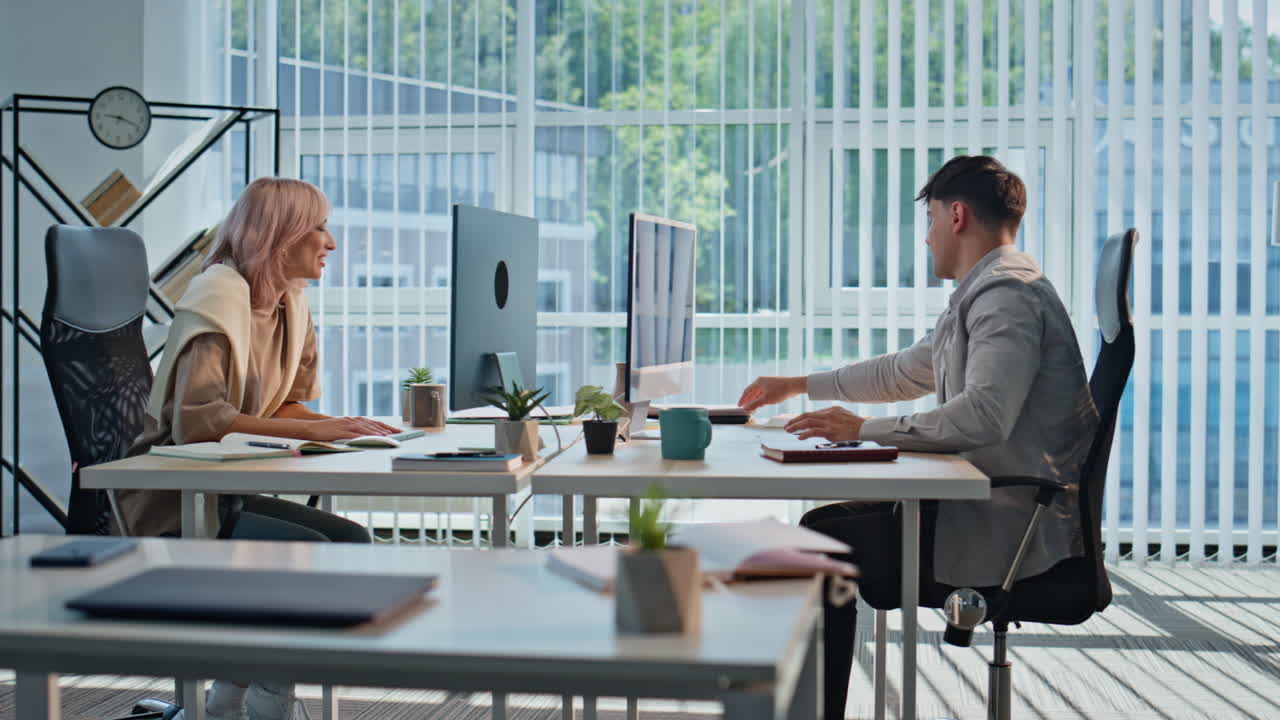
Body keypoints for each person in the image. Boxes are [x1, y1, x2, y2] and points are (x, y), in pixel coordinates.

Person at [738, 155, 1099, 720]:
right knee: (822, 530)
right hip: (993, 504)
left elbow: (982, 417)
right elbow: (905, 371)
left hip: (1009, 530)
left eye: (929, 219)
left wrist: (861, 431)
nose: (927, 238)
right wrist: (798, 385)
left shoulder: (1007, 298)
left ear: (956, 215)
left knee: (816, 545)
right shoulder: (990, 291)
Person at [123, 177, 399, 720]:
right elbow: (197, 422)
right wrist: (316, 432)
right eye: (319, 227)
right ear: (280, 234)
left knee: (353, 539)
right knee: (324, 553)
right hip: (175, 502)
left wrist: (344, 426)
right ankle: (269, 699)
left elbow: (288, 407)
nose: (332, 242)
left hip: (230, 494)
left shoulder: (290, 307)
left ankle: (231, 695)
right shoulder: (217, 302)